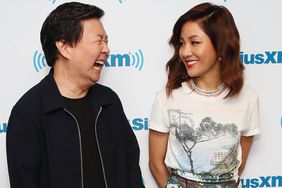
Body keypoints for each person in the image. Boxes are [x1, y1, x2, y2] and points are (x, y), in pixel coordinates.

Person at [6, 2, 144, 188]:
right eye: (98, 41)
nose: (106, 49)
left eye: (106, 41)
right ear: (65, 47)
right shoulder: (29, 112)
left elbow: (132, 173)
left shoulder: (109, 101)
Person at [149, 2, 260, 188]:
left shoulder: (248, 99)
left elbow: (237, 167)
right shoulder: (167, 98)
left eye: (195, 42)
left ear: (221, 46)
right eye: (182, 43)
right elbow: (155, 164)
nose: (185, 52)